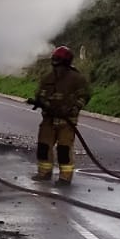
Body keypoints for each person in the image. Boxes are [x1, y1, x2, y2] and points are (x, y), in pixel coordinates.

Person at [30, 46, 91, 184]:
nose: (56, 65)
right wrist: (41, 102)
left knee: (64, 150)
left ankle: (65, 177)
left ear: (65, 62)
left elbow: (84, 96)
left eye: (58, 60)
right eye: (54, 60)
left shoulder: (77, 78)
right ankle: (44, 173)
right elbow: (40, 94)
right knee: (43, 147)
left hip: (66, 122)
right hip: (48, 120)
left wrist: (73, 109)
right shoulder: (48, 78)